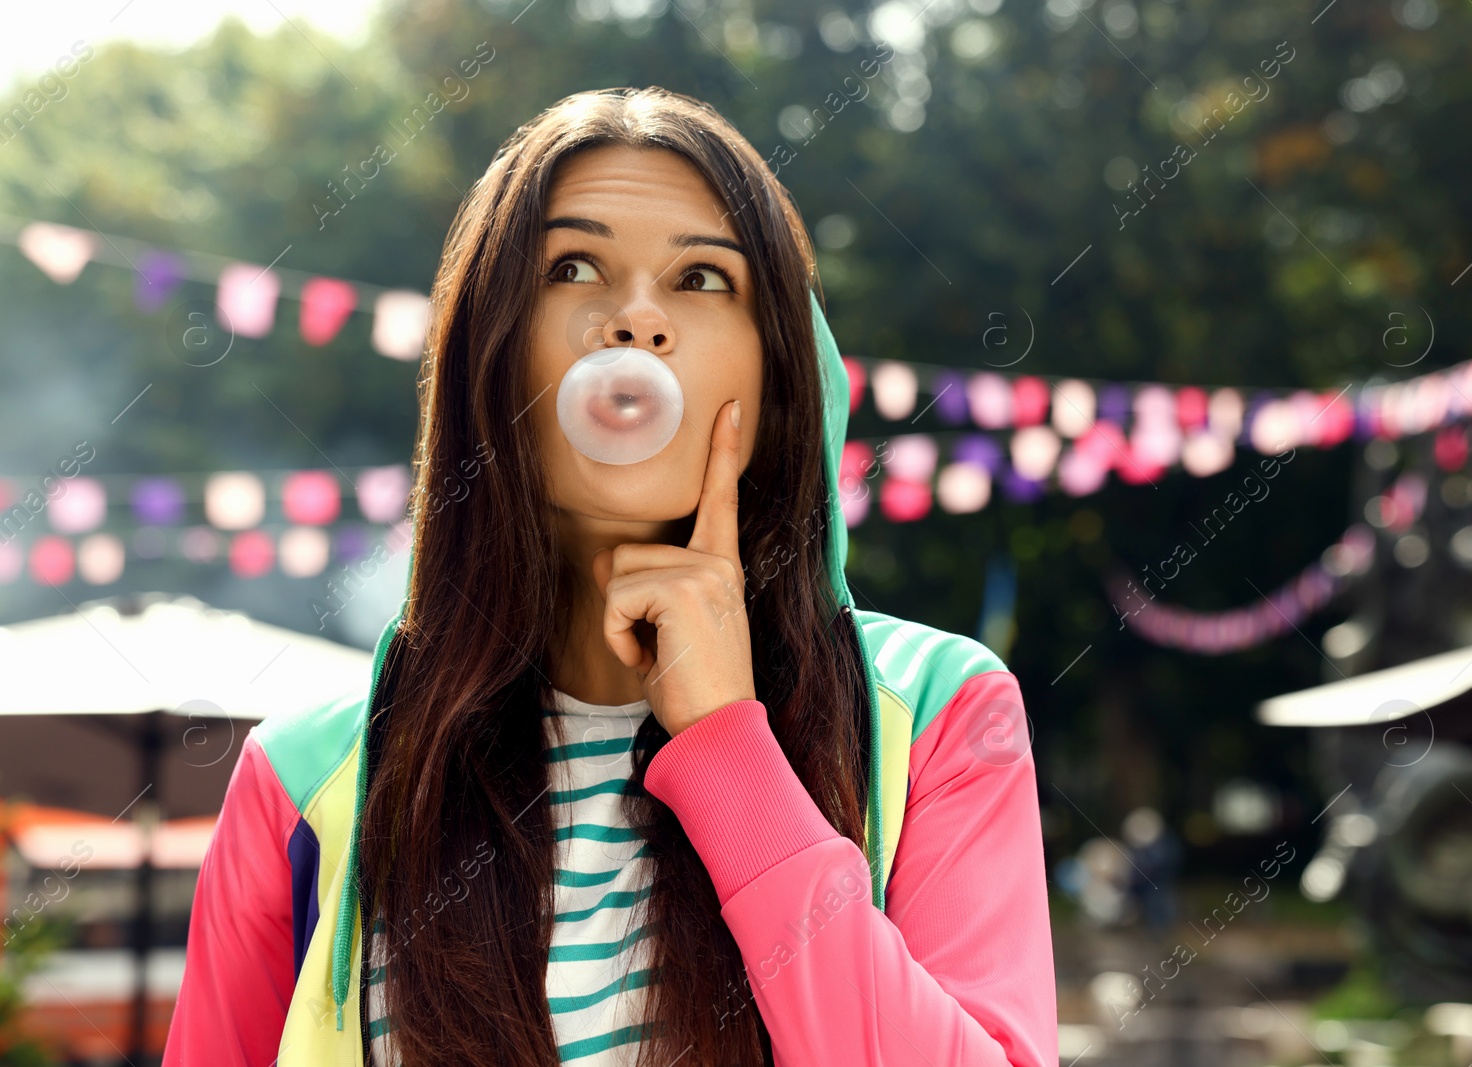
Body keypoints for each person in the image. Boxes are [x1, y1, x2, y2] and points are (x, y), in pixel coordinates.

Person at [163, 86, 1057, 1067]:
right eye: (573, 267)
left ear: (778, 373)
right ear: (489, 356)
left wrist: (728, 750)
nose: (635, 321)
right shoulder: (305, 779)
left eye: (704, 279)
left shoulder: (937, 713)